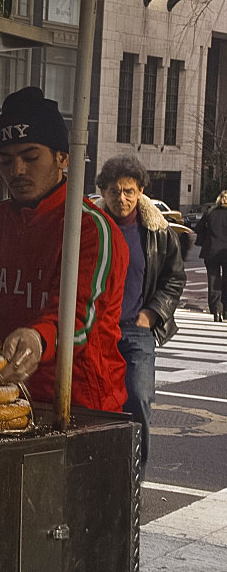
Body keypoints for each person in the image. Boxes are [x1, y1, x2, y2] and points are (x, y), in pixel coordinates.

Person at [0, 87, 129, 411]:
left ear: (62, 157)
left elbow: (81, 318)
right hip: (0, 395)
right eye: (6, 160)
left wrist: (38, 337)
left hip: (76, 401)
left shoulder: (89, 228)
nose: (18, 171)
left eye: (30, 157)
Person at [96, 155, 185, 473]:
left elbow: (175, 278)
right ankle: (99, 472)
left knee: (138, 397)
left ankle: (133, 477)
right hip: (95, 330)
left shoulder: (157, 231)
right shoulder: (91, 226)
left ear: (141, 191)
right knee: (92, 403)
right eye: (114, 191)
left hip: (136, 329)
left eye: (129, 191)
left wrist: (152, 313)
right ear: (103, 192)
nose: (122, 198)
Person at [197, 190, 227, 321]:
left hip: (211, 250)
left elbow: (199, 228)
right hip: (225, 250)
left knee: (213, 279)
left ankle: (216, 310)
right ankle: (226, 310)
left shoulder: (210, 212)